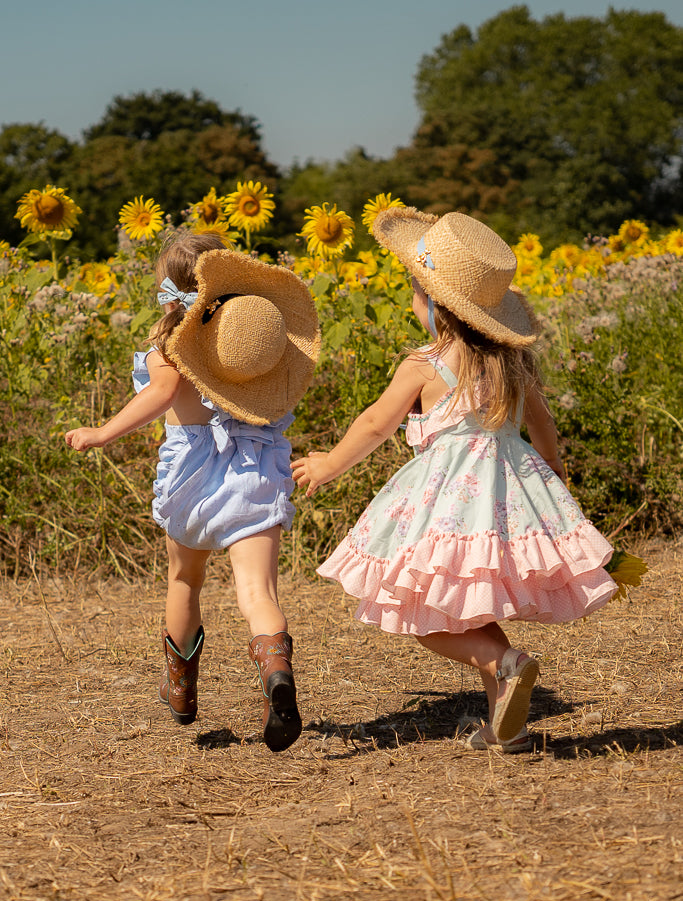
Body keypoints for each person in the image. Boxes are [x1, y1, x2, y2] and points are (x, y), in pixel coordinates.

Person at [291, 209, 617, 752]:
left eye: (416, 293)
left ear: (435, 304)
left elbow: (375, 423)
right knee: (475, 608)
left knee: (423, 614)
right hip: (509, 496)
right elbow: (543, 424)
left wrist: (328, 465)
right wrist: (555, 476)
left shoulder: (424, 365)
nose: (412, 301)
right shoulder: (513, 362)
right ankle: (504, 727)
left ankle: (507, 662)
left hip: (447, 499)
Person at [66, 232, 320, 752]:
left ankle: (180, 691)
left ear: (170, 290)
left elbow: (161, 395)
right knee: (258, 593)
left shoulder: (168, 349)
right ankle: (277, 678)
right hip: (254, 471)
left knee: (184, 580)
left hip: (192, 480)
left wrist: (102, 432)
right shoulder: (250, 339)